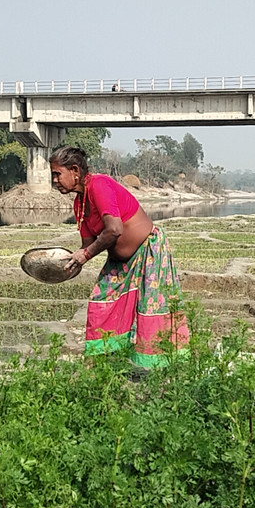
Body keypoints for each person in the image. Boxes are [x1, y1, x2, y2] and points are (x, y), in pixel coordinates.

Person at [50, 146, 189, 367]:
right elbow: (88, 245)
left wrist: (84, 255)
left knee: (151, 308)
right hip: (120, 261)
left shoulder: (100, 185)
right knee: (101, 300)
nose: (55, 180)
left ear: (75, 170)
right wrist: (67, 266)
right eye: (53, 175)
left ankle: (158, 365)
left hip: (148, 251)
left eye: (57, 174)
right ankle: (106, 360)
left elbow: (114, 230)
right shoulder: (80, 204)